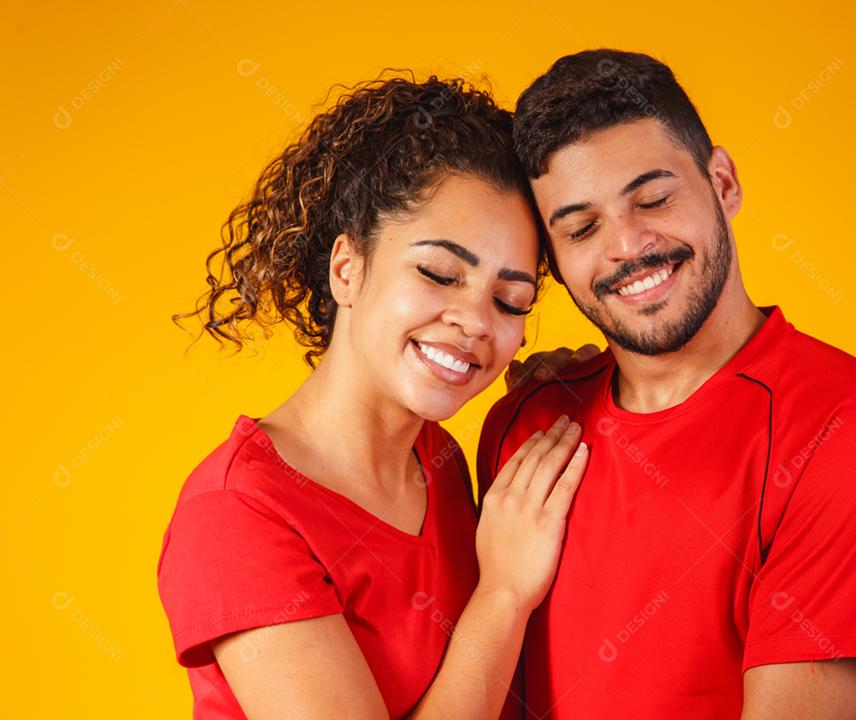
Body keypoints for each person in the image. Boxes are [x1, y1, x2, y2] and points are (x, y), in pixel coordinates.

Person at [480, 49, 856, 719]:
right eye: (581, 228)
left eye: (654, 199)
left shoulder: (844, 428)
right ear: (553, 259)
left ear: (722, 183)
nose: (628, 246)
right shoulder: (526, 424)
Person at [157, 75, 591, 719]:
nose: (475, 322)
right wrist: (502, 591)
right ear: (347, 269)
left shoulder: (441, 465)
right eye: (439, 273)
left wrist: (574, 402)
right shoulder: (236, 512)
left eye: (509, 301)